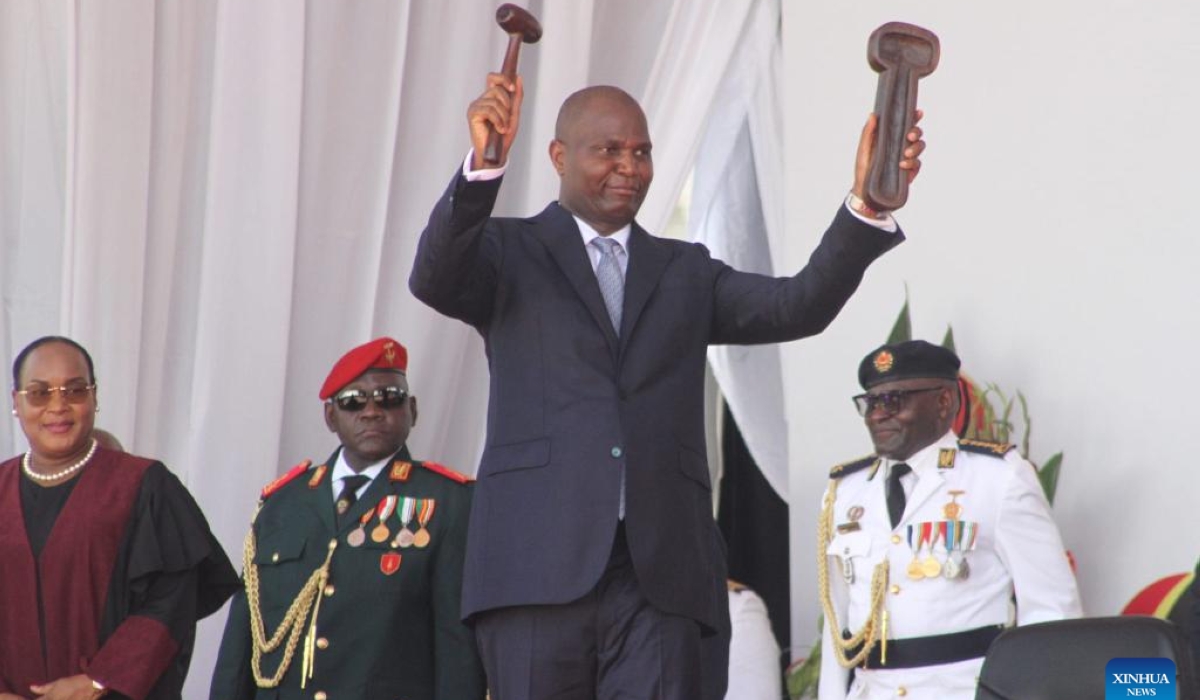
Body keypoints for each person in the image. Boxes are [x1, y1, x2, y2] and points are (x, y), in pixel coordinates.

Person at [409, 70, 925, 700]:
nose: (630, 166)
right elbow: (434, 277)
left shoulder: (684, 270)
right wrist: (481, 172)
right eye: (609, 150)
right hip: (535, 567)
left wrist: (866, 205)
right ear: (559, 157)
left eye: (642, 151)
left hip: (661, 575)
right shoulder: (507, 250)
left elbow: (798, 305)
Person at [209, 337, 485, 700]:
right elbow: (242, 639)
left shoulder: (450, 502)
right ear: (330, 416)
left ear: (412, 410)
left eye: (388, 397)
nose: (371, 411)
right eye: (353, 401)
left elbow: (457, 648)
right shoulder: (282, 503)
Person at [817, 340, 1082, 700]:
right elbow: (837, 625)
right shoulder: (845, 491)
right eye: (871, 403)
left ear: (944, 401)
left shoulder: (997, 478)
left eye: (894, 401)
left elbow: (1051, 613)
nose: (878, 415)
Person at [0, 336, 238, 700]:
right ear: (16, 402)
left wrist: (98, 681)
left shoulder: (143, 485)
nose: (58, 406)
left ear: (94, 397)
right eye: (39, 393)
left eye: (75, 390)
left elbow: (173, 598)